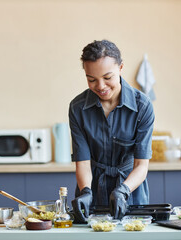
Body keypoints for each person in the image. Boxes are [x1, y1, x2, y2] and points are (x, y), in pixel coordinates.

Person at [69, 40, 154, 221]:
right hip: (92, 191)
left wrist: (123, 190)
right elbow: (82, 163)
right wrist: (85, 191)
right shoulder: (77, 108)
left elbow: (141, 165)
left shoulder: (142, 106)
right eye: (91, 79)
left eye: (108, 77)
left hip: (131, 192)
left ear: (121, 67)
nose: (100, 86)